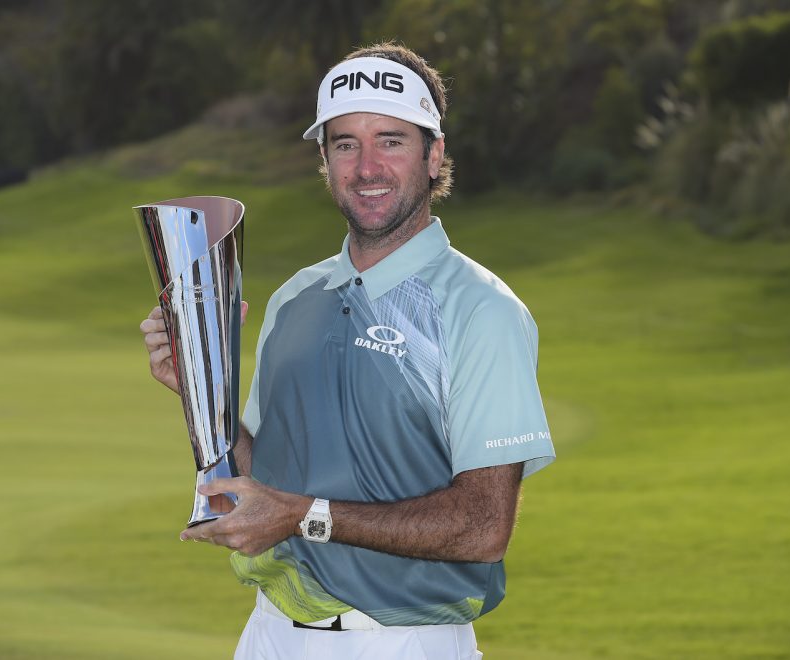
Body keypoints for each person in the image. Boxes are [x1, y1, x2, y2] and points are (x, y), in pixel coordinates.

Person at [140, 42, 555, 659]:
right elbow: (259, 483)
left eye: (390, 140)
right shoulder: (293, 299)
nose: (366, 167)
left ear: (434, 154)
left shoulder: (481, 311)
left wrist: (305, 516)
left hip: (405, 642)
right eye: (344, 144)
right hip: (270, 635)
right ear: (325, 160)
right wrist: (203, 389)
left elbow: (483, 526)